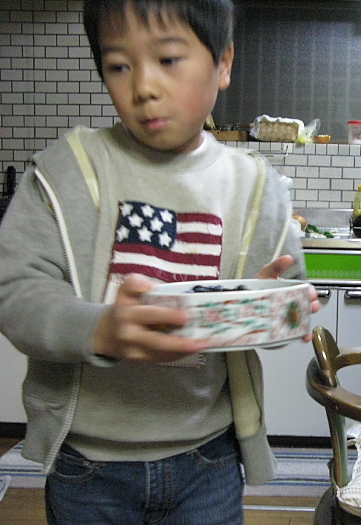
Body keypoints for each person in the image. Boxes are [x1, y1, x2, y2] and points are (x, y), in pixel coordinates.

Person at [0, 0, 319, 523]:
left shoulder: (257, 187)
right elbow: (15, 292)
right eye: (118, 66)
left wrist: (266, 309)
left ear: (223, 63)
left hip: (209, 458)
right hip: (89, 464)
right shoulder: (67, 170)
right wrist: (100, 329)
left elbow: (291, 310)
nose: (143, 86)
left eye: (168, 59)